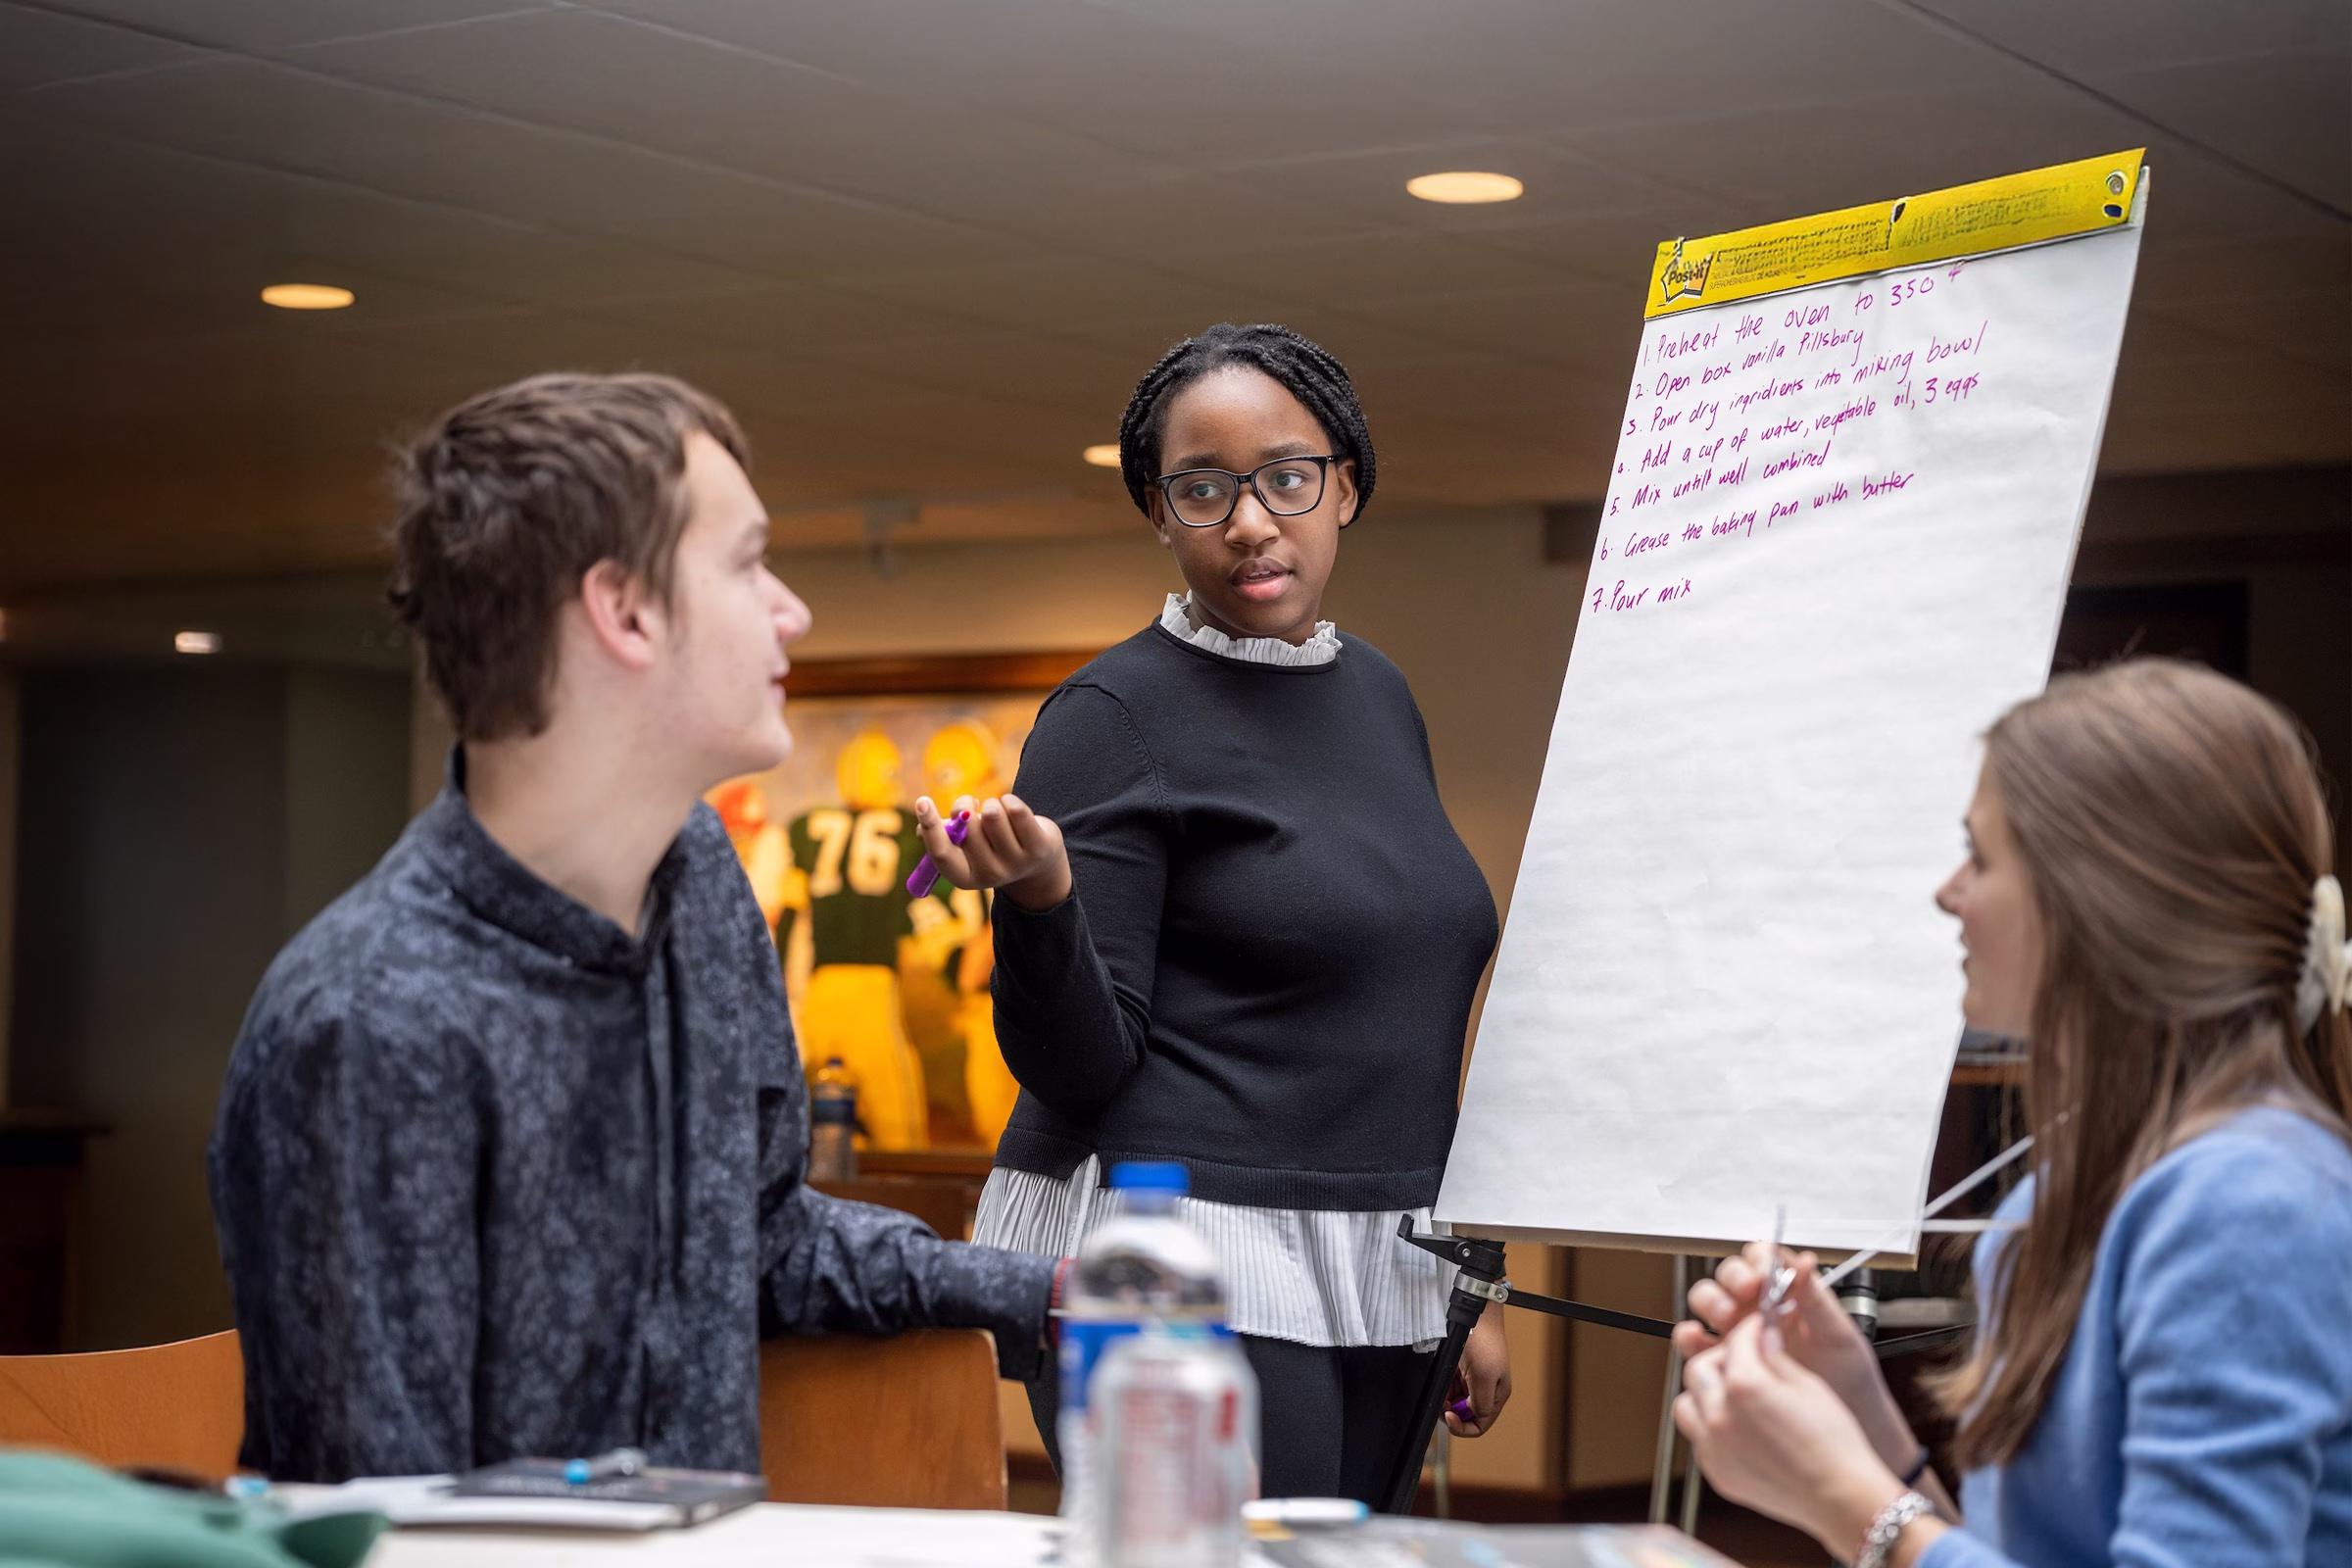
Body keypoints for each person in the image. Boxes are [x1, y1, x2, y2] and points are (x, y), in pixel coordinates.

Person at [208, 372, 1057, 1483]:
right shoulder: (369, 1021)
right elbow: (390, 1527)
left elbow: (755, 1243)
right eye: (749, 562)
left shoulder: (700, 880)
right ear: (627, 611)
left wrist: (1041, 1292)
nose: (792, 609)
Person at [910, 323, 1511, 1504]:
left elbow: (1409, 1011)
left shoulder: (1380, 695)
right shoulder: (1113, 713)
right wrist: (1041, 899)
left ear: (1346, 486)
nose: (1250, 521)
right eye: (1203, 489)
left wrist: (1467, 1277)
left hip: (1380, 1242)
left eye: (1286, 478)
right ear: (1158, 509)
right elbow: (1077, 1064)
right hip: (1177, 1241)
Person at [1669, 660, 2352, 1566]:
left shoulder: (2247, 1202)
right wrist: (1861, 1416)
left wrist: (1845, 1501)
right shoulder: (2062, 1200)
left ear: (2102, 899)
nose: (1948, 893)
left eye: (1982, 857)